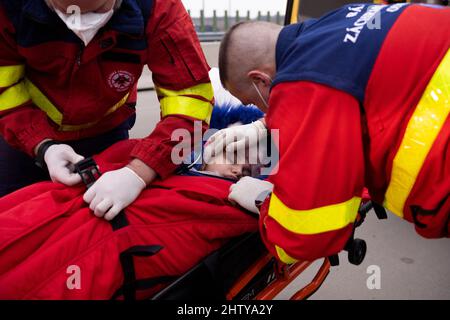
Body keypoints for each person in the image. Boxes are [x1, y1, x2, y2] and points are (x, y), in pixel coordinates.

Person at [205, 3, 450, 263]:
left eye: (254, 103)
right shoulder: (338, 20)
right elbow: (354, 80)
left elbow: (301, 239)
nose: (260, 109)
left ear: (261, 80)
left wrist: (262, 199)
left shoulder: (303, 84)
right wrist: (263, 125)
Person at [0, 0, 213, 221]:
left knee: (101, 228)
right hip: (22, 138)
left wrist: (140, 171)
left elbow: (192, 99)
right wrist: (42, 146)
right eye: (65, 10)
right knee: (12, 221)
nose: (80, 26)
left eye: (96, 9)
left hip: (108, 133)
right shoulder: (8, 8)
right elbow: (3, 89)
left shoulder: (159, 8)